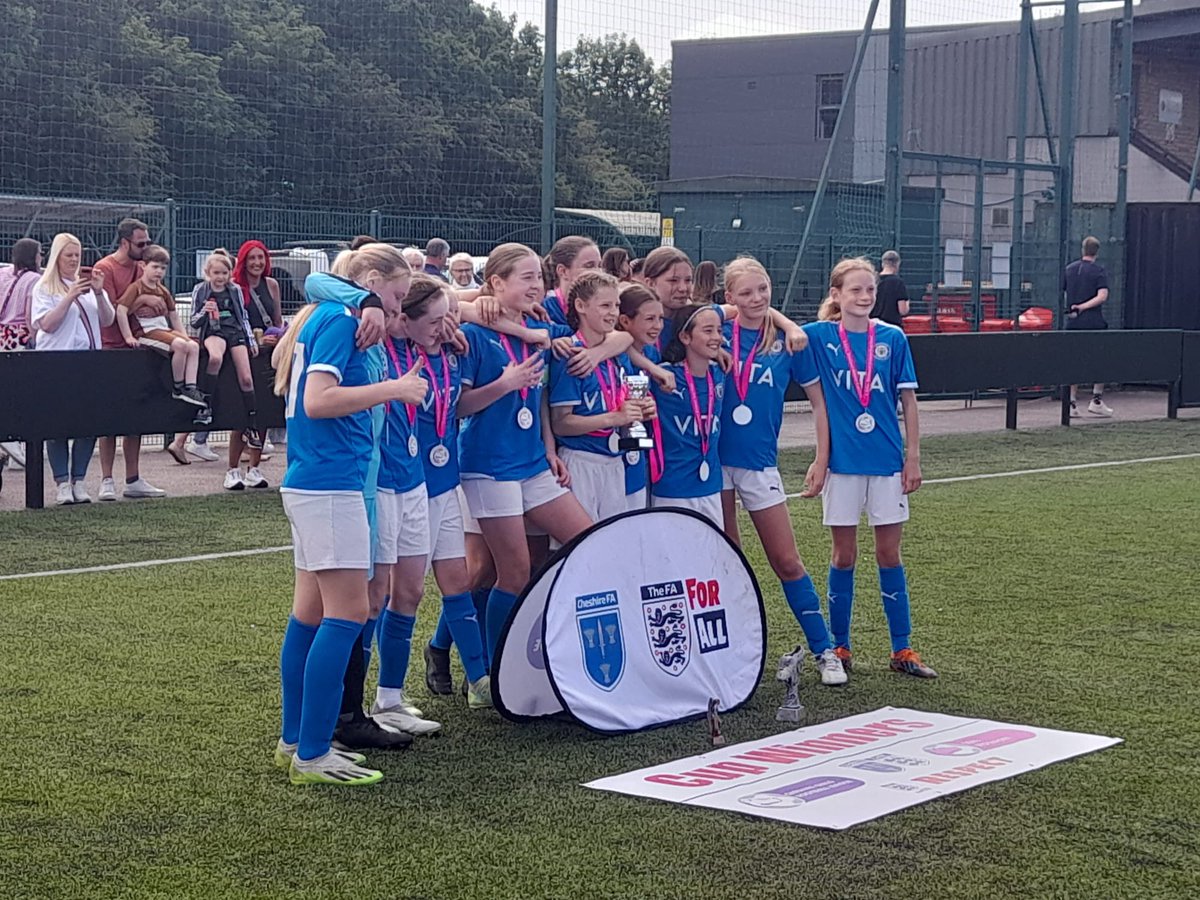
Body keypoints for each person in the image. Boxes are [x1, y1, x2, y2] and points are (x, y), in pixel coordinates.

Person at [271, 242, 425, 786]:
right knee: (345, 616)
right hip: (331, 485)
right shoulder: (341, 319)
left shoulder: (334, 313)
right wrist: (396, 388)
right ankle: (312, 753)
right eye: (395, 295)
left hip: (319, 483)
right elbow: (318, 400)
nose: (396, 309)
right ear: (371, 281)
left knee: (309, 617)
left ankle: (296, 739)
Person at [457, 243, 599, 660]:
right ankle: (495, 666)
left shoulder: (544, 329)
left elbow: (542, 397)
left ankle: (545, 644)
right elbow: (460, 408)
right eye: (526, 277)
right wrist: (505, 382)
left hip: (532, 462)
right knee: (511, 571)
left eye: (539, 276)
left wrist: (549, 447)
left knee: (586, 541)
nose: (536, 285)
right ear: (496, 283)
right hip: (489, 465)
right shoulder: (474, 334)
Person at [804, 258, 936, 679]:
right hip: (842, 465)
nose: (864, 297)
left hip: (885, 462)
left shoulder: (893, 338)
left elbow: (909, 401)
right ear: (836, 295)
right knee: (844, 555)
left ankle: (902, 649)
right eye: (855, 290)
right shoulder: (819, 337)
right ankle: (839, 647)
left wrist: (912, 455)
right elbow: (768, 321)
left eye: (870, 291)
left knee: (889, 553)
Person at [718, 257, 845, 686]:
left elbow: (818, 403)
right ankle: (734, 653)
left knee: (787, 560)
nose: (757, 299)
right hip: (711, 464)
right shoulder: (713, 329)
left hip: (759, 464)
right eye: (747, 292)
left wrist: (820, 457)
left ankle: (825, 650)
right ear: (729, 298)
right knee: (726, 561)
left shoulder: (793, 342)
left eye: (763, 289)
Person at [550, 271, 655, 523]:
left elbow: (628, 401)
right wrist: (613, 418)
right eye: (605, 305)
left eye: (616, 305)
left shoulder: (618, 353)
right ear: (581, 306)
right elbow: (561, 423)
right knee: (580, 544)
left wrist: (642, 407)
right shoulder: (571, 354)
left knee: (614, 542)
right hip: (581, 461)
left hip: (615, 458)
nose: (613, 312)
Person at [168, 251, 269, 485]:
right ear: (208, 273)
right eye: (216, 273)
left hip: (234, 333)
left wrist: (250, 340)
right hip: (214, 332)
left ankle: (252, 422)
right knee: (214, 358)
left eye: (224, 273)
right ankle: (206, 406)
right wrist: (206, 310)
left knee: (246, 378)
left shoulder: (234, 290)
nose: (220, 277)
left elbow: (242, 317)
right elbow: (193, 320)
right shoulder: (201, 290)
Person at [30, 234, 116, 505]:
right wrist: (68, 297)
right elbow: (46, 325)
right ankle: (61, 482)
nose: (75, 260)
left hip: (88, 360)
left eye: (77, 255)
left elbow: (107, 319)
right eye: (69, 255)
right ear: (57, 256)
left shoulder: (88, 287)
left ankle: (79, 480)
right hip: (56, 360)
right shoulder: (44, 287)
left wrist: (100, 292)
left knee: (87, 423)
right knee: (57, 425)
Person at [93, 217, 165, 501]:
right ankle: (106, 478)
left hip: (139, 345)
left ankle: (132, 478)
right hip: (111, 346)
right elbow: (110, 313)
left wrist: (142, 304)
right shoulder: (106, 267)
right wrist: (141, 301)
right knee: (109, 416)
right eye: (141, 243)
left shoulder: (141, 267)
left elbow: (152, 306)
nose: (146, 248)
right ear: (125, 242)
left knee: (137, 413)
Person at [649, 304, 726, 527]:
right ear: (685, 336)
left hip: (710, 486)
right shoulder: (664, 375)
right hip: (672, 487)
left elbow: (740, 309)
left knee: (710, 558)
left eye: (719, 331)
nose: (717, 337)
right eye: (708, 330)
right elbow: (626, 346)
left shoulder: (719, 373)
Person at [114, 245, 205, 408]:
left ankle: (191, 386)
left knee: (192, 346)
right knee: (180, 345)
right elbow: (121, 311)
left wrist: (183, 334)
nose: (159, 271)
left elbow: (174, 315)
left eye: (163, 268)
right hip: (146, 332)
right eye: (155, 267)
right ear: (143, 266)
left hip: (163, 330)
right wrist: (128, 336)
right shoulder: (136, 288)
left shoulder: (163, 290)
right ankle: (178, 387)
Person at [616, 282, 665, 511]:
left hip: (639, 450)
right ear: (625, 321)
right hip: (612, 452)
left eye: (660, 318)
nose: (657, 326)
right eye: (649, 319)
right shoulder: (613, 355)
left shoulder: (652, 352)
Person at [0, 238, 42, 470]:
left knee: (7, 388)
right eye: (39, 254)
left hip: (3, 335)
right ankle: (16, 441)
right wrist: (36, 339)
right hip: (21, 336)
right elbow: (29, 314)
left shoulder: (4, 273)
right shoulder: (34, 280)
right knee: (25, 392)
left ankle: (11, 443)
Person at [1064, 236, 1113, 418]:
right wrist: (1084, 306)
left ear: (1082, 249)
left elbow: (1064, 292)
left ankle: (1071, 402)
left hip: (1073, 322)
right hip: (1094, 322)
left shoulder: (1069, 269)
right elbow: (1102, 296)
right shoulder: (1099, 271)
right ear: (1097, 252)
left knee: (1072, 361)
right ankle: (1096, 400)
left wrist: (1074, 308)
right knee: (1100, 360)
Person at [541, 236, 602, 326]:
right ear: (563, 271)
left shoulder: (607, 304)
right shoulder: (544, 307)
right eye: (589, 266)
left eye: (600, 266)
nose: (598, 272)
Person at [871, 250, 909, 327]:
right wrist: (907, 303)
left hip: (873, 325)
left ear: (883, 264)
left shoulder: (873, 280)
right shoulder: (898, 282)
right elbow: (903, 311)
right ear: (897, 264)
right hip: (892, 326)